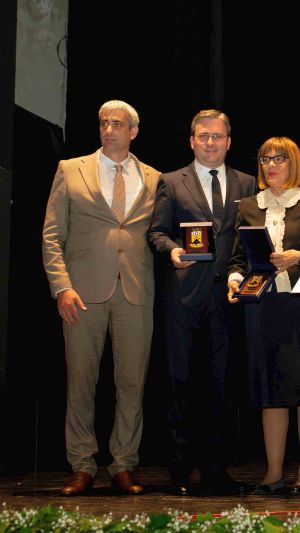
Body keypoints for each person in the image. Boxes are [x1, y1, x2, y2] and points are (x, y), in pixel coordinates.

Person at [42, 100, 159, 496]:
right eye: (104, 123)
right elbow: (51, 235)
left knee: (132, 383)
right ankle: (82, 464)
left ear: (133, 131)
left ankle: (124, 464)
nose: (109, 129)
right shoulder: (70, 169)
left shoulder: (153, 177)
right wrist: (62, 287)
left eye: (118, 124)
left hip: (136, 291)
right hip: (81, 293)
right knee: (81, 381)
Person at [148, 109, 255, 496]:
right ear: (192, 141)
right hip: (183, 298)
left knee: (222, 385)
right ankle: (179, 469)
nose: (211, 143)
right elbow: (157, 232)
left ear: (229, 141)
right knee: (181, 383)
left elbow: (248, 237)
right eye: (204, 136)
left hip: (228, 298)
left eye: (218, 136)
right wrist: (173, 250)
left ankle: (216, 469)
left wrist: (243, 274)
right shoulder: (170, 181)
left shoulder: (247, 182)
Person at [227, 136, 300, 495]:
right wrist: (234, 280)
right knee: (269, 388)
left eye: (279, 159)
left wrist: (299, 256)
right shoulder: (248, 206)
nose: (271, 165)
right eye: (264, 159)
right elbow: (238, 258)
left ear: (293, 163)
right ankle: (273, 473)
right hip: (263, 307)